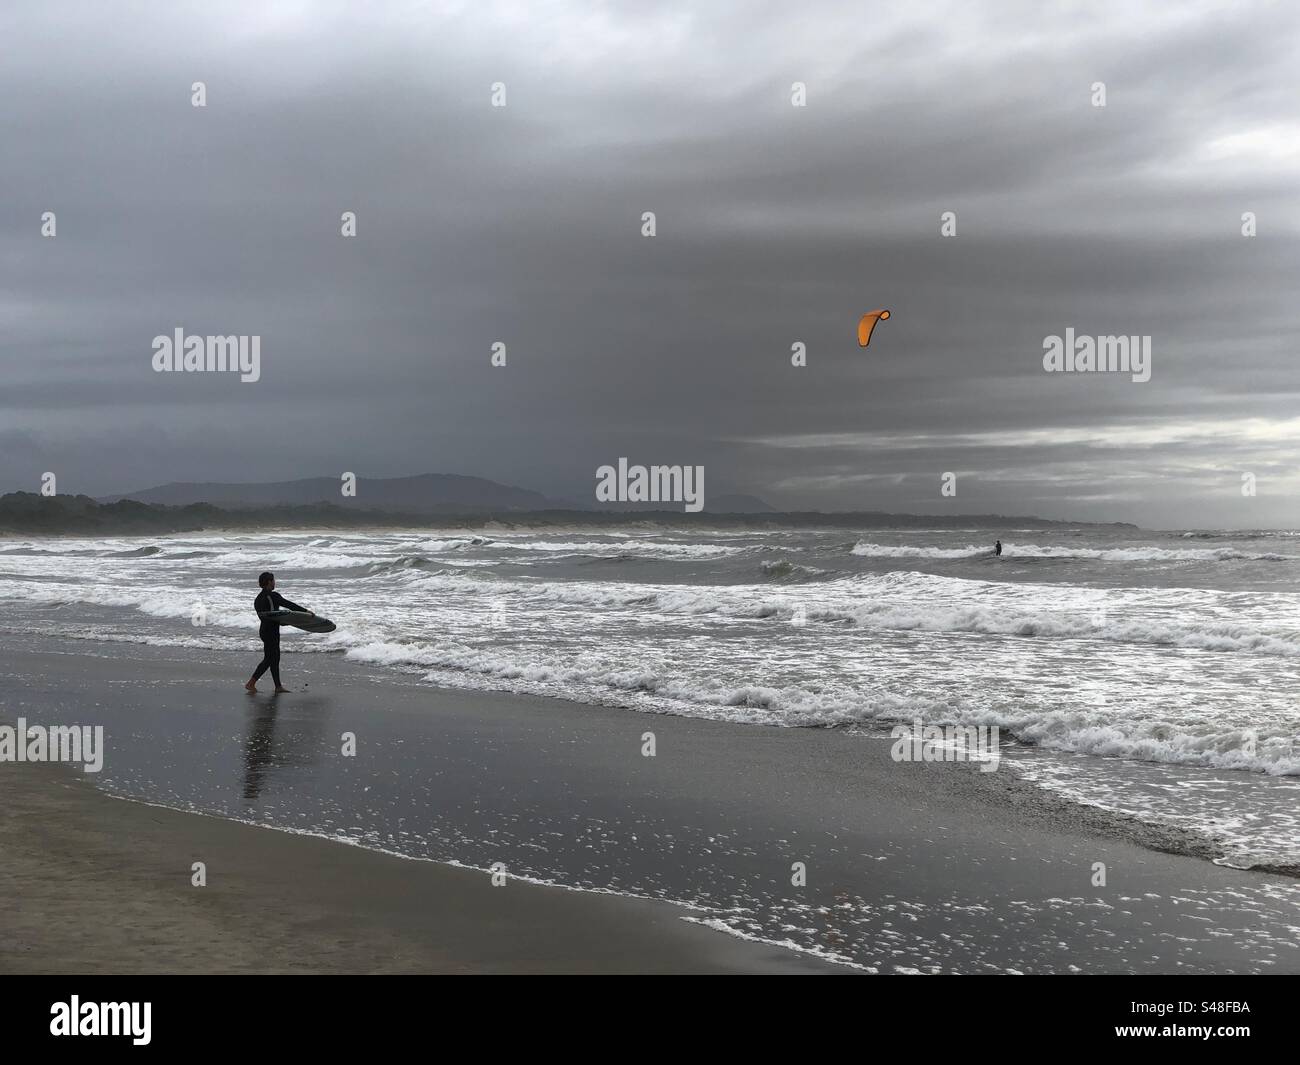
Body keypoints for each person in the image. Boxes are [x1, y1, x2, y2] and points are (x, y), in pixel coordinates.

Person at [245, 571, 312, 693]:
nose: (275, 583)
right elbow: (289, 605)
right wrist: (306, 612)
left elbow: (265, 617)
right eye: (274, 580)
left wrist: (282, 621)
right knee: (270, 659)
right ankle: (251, 683)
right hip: (271, 632)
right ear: (269, 582)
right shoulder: (272, 596)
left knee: (274, 658)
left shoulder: (258, 599)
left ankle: (278, 687)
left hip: (264, 630)